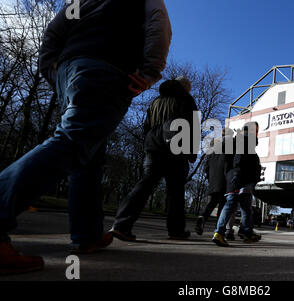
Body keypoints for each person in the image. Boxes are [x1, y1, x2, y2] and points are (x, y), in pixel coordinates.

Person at [0, 0, 171, 274]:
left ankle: (88, 233)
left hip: (70, 69)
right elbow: (158, 24)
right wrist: (150, 72)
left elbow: (54, 29)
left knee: (90, 154)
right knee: (72, 141)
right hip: (107, 67)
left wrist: (53, 70)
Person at [110, 77, 199, 241]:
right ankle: (176, 230)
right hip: (176, 149)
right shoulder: (186, 99)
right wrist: (192, 152)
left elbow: (147, 126)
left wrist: (149, 144)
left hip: (154, 147)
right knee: (176, 192)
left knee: (144, 185)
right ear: (186, 88)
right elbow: (192, 127)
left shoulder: (156, 101)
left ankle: (121, 225)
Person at [212, 122, 262, 247]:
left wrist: (228, 173)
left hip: (234, 177)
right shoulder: (245, 142)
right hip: (243, 177)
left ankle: (246, 231)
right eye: (256, 130)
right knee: (235, 205)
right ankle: (221, 232)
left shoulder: (236, 141)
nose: (257, 133)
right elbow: (247, 160)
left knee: (242, 206)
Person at [194, 129, 233, 236]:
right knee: (223, 205)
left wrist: (210, 178)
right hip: (224, 179)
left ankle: (202, 217)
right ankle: (219, 230)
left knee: (213, 201)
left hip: (213, 180)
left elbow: (206, 166)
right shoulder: (229, 146)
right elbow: (230, 163)